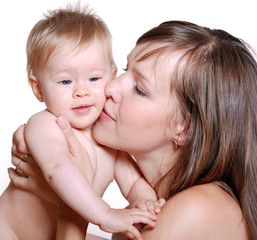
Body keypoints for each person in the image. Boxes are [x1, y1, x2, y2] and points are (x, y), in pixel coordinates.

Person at [8, 20, 257, 240]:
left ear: (183, 129)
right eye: (124, 71)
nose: (109, 88)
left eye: (139, 88)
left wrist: (71, 210)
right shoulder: (159, 207)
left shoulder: (198, 209)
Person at [0, 5, 164, 240]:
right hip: (11, 231)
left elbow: (133, 182)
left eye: (94, 78)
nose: (82, 91)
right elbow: (57, 168)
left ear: (112, 74)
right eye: (66, 81)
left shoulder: (108, 136)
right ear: (38, 88)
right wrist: (104, 213)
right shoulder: (45, 124)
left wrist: (144, 201)